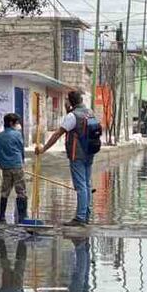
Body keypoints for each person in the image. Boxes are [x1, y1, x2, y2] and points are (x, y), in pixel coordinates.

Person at [38, 91, 97, 226]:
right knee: (87, 184)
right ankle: (86, 214)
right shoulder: (90, 112)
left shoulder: (72, 116)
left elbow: (58, 134)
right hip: (90, 153)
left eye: (66, 100)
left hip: (77, 155)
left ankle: (80, 218)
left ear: (70, 102)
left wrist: (43, 149)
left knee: (80, 185)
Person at [0, 112, 27, 224]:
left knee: (5, 192)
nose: (18, 125)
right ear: (11, 123)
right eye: (16, 123)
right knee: (21, 192)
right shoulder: (17, 135)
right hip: (17, 166)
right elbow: (21, 150)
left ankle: (2, 218)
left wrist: (0, 160)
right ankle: (22, 218)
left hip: (5, 167)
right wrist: (22, 162)